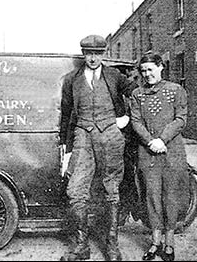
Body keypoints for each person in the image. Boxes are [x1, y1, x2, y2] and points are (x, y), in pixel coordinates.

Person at [59, 35, 137, 261]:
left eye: (98, 54)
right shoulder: (71, 79)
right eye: (89, 53)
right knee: (75, 190)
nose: (93, 58)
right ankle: (81, 247)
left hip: (111, 135)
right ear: (84, 54)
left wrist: (126, 118)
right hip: (82, 134)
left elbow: (136, 94)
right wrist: (65, 145)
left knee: (111, 188)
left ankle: (112, 246)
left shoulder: (114, 76)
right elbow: (66, 113)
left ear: (103, 54)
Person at [130, 53, 189, 261]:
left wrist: (162, 139)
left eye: (150, 69)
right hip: (148, 153)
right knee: (151, 196)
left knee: (170, 196)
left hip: (172, 152)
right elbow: (136, 122)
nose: (147, 74)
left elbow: (181, 119)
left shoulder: (176, 91)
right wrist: (150, 142)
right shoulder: (137, 94)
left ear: (160, 67)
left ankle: (169, 243)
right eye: (143, 71)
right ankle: (155, 242)